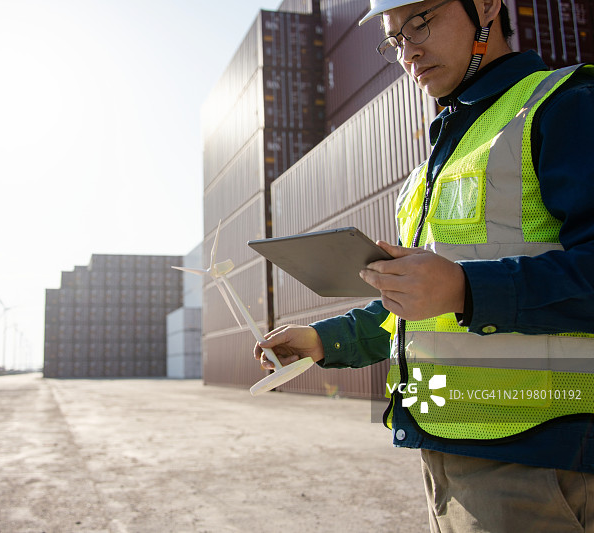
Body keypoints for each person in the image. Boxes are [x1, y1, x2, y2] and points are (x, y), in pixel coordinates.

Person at [253, 0, 594, 530]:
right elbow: (416, 306)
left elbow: (460, 290)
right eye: (394, 38)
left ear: (484, 6)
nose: (408, 49)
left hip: (539, 461)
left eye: (420, 21)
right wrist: (326, 341)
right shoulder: (431, 166)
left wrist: (465, 289)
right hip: (445, 453)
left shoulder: (563, 106)